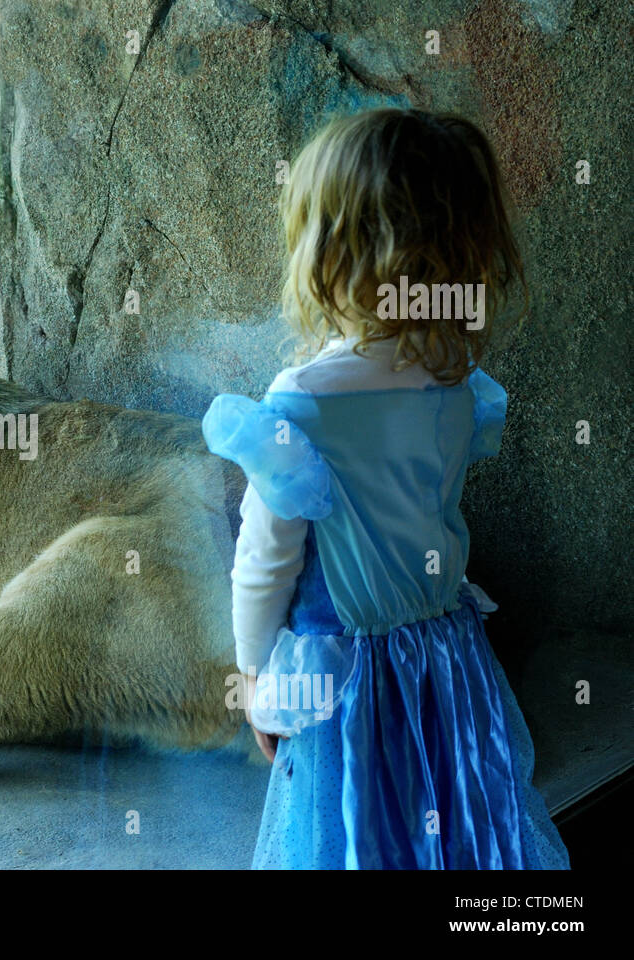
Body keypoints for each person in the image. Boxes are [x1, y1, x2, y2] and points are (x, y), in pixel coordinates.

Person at [201, 108, 570, 869]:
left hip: (345, 684)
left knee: (349, 833)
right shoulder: (456, 386)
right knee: (454, 817)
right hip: (447, 662)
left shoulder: (299, 404)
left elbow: (265, 562)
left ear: (328, 251)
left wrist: (255, 670)